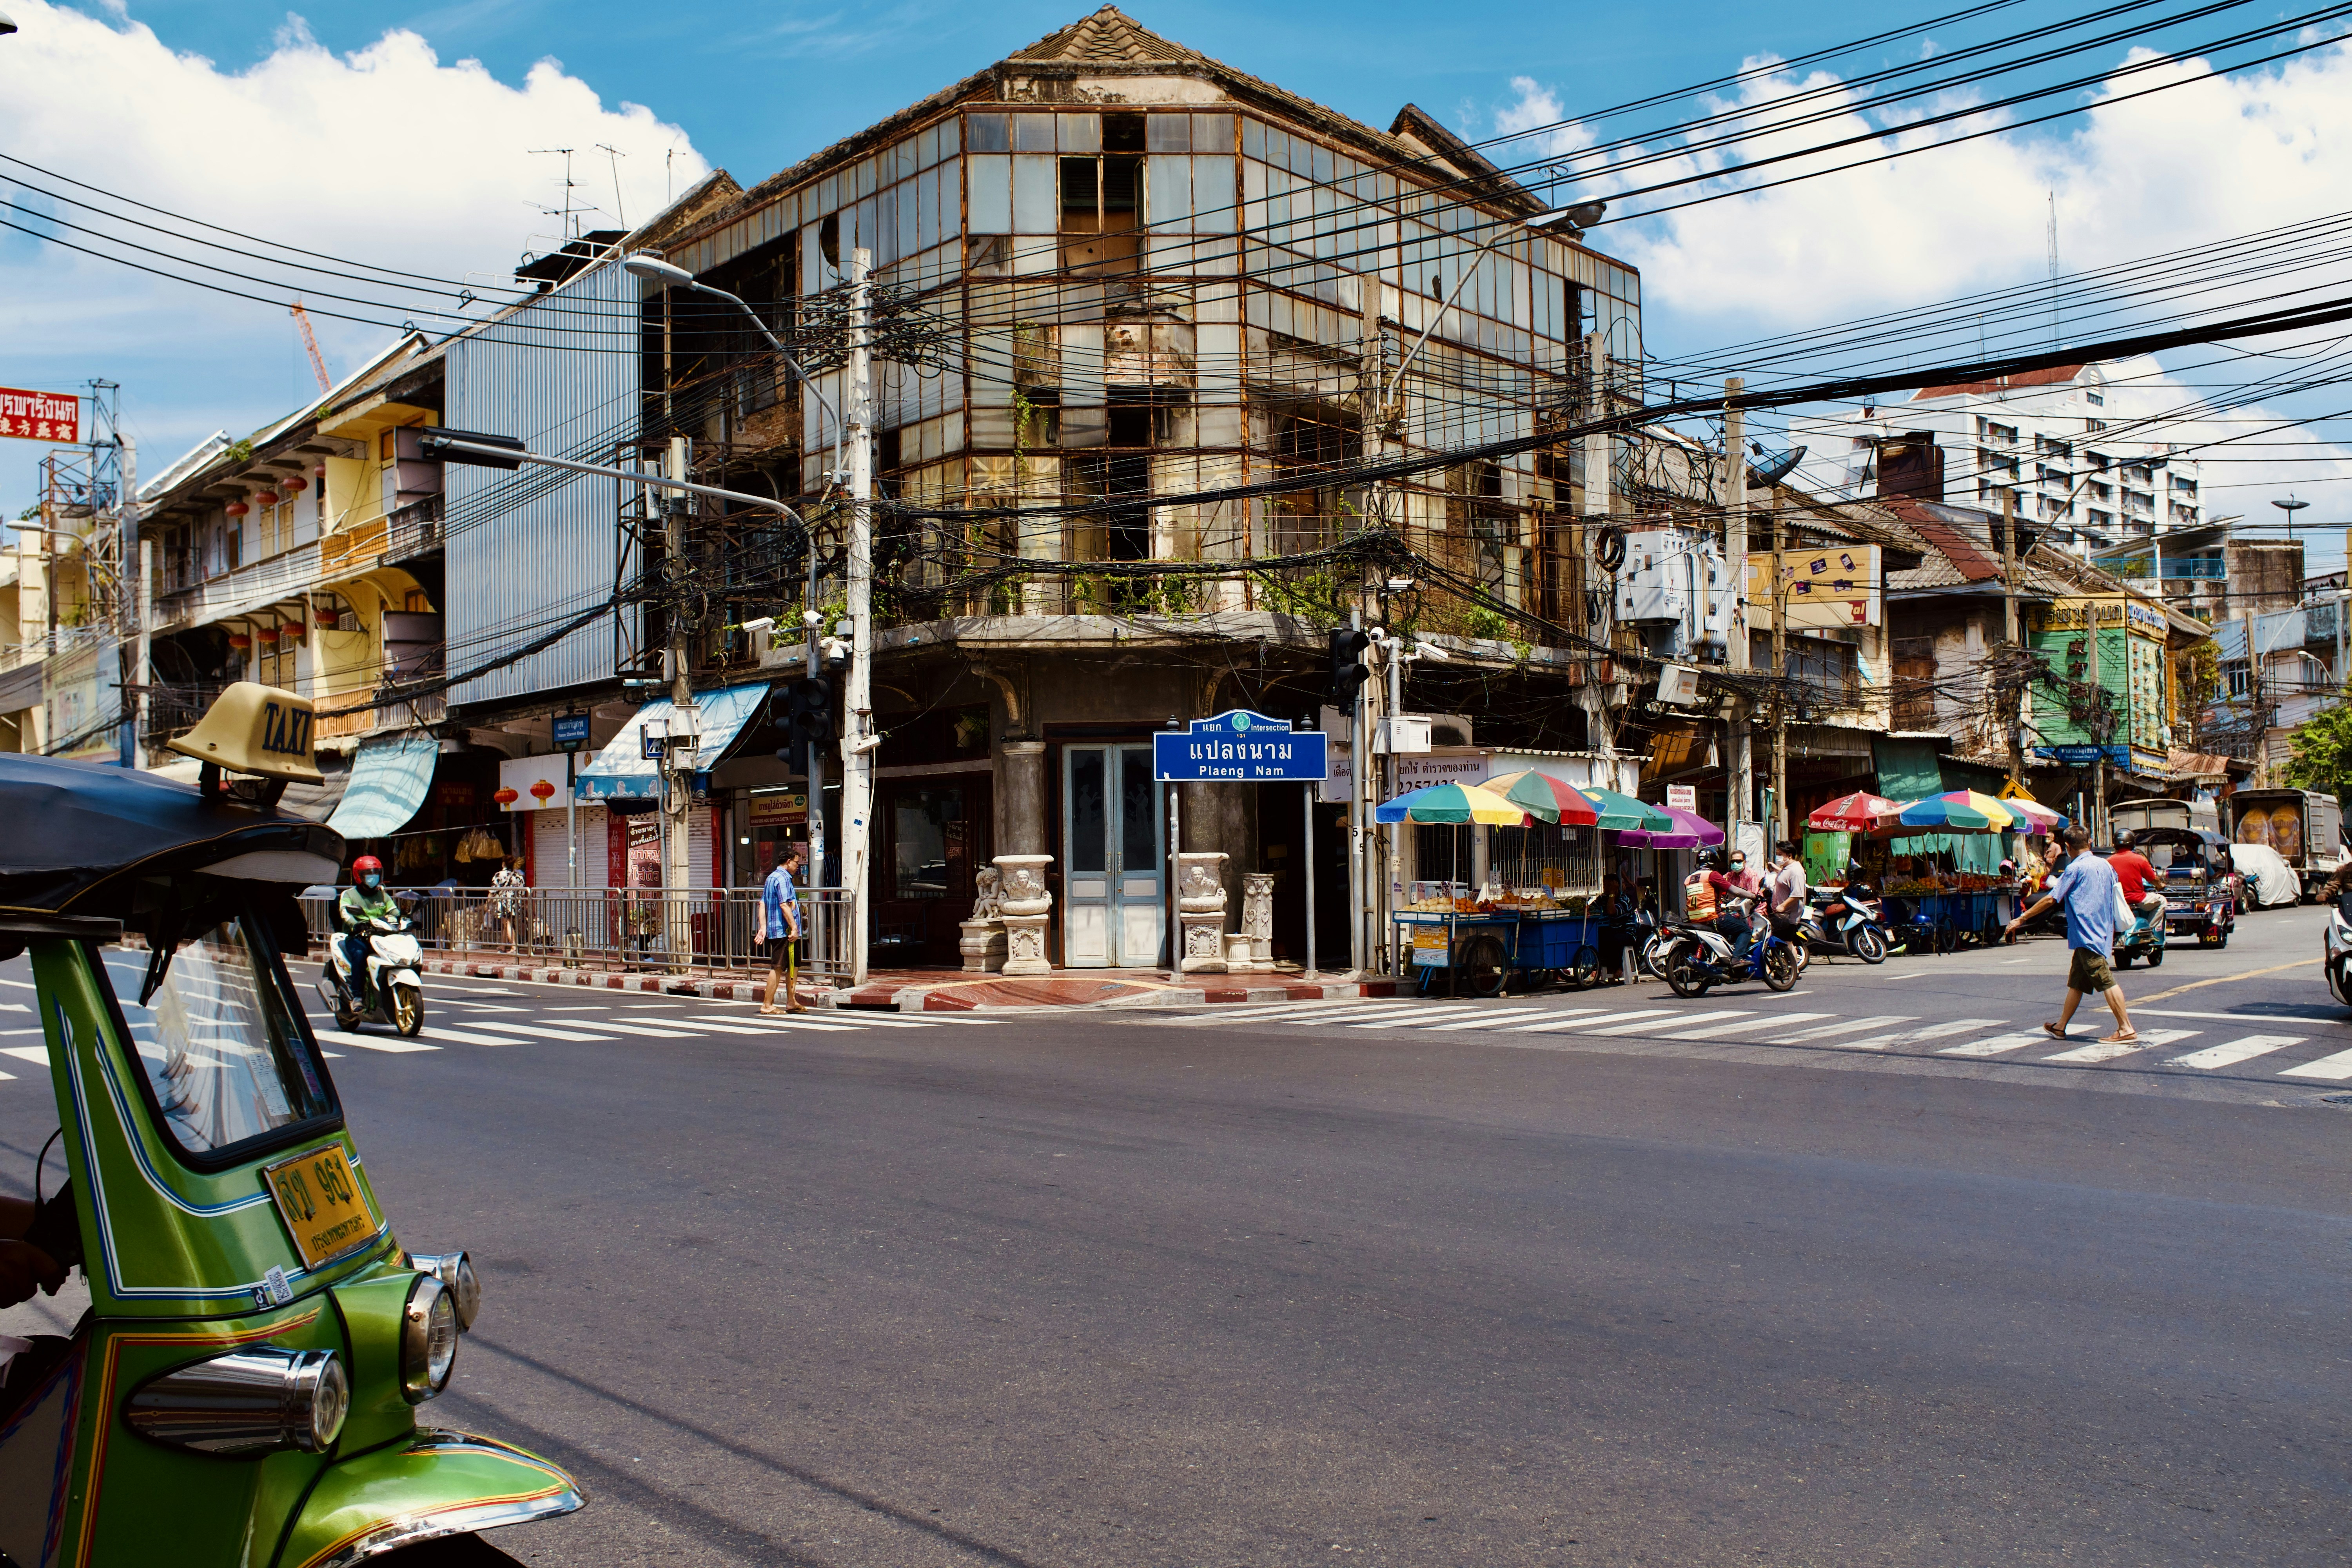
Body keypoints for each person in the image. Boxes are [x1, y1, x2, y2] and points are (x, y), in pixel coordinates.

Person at [2005, 824, 2136, 1044]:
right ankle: (2061, 1026)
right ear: (2090, 843)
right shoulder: (2106, 865)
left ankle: (2125, 1028)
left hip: (2087, 935)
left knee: (2105, 980)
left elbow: (2051, 899)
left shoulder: (2074, 870)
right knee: (2077, 982)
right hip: (2102, 931)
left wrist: (2021, 919)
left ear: (2066, 847)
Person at [337, 855, 398, 1006]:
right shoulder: (349, 895)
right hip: (358, 937)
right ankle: (357, 997)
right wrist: (355, 924)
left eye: (376, 873)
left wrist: (403, 918)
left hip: (382, 936)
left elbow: (394, 912)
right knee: (359, 955)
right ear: (359, 876)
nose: (373, 877)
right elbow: (345, 913)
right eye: (369, 874)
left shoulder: (383, 895)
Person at [760, 842, 808, 1015]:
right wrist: (794, 928)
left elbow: (762, 903)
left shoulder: (772, 877)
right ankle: (767, 1004)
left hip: (778, 929)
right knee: (778, 967)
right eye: (797, 863)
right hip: (784, 931)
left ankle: (791, 1001)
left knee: (793, 965)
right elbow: (784, 905)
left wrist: (763, 928)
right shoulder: (782, 879)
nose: (798, 867)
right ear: (789, 862)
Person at [1682, 849, 1753, 962]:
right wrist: (1753, 896)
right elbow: (1735, 891)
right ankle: (1737, 958)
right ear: (1714, 862)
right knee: (1746, 930)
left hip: (1695, 920)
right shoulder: (1712, 875)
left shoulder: (1688, 879)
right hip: (1713, 917)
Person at [2107, 832, 2165, 928]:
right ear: (2132, 843)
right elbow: (2153, 879)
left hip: (2116, 901)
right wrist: (2161, 886)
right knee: (2162, 901)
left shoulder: (2108, 861)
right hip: (2138, 899)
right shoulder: (2139, 859)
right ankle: (2150, 930)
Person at [1767, 841, 1809, 967]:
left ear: (1789, 855)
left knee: (1787, 942)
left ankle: (1792, 970)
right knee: (1784, 941)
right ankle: (1789, 968)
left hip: (1788, 913)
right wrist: (1778, 870)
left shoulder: (1796, 870)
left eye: (1780, 854)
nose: (1778, 857)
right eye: (1777, 854)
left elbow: (1797, 894)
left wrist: (1783, 906)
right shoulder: (1787, 868)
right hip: (1781, 913)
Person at [488, 854, 527, 954]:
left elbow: (493, 891)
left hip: (504, 903)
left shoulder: (499, 875)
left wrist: (488, 903)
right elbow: (523, 892)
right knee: (506, 924)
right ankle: (503, 947)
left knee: (507, 923)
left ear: (503, 864)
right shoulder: (519, 876)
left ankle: (514, 947)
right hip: (515, 903)